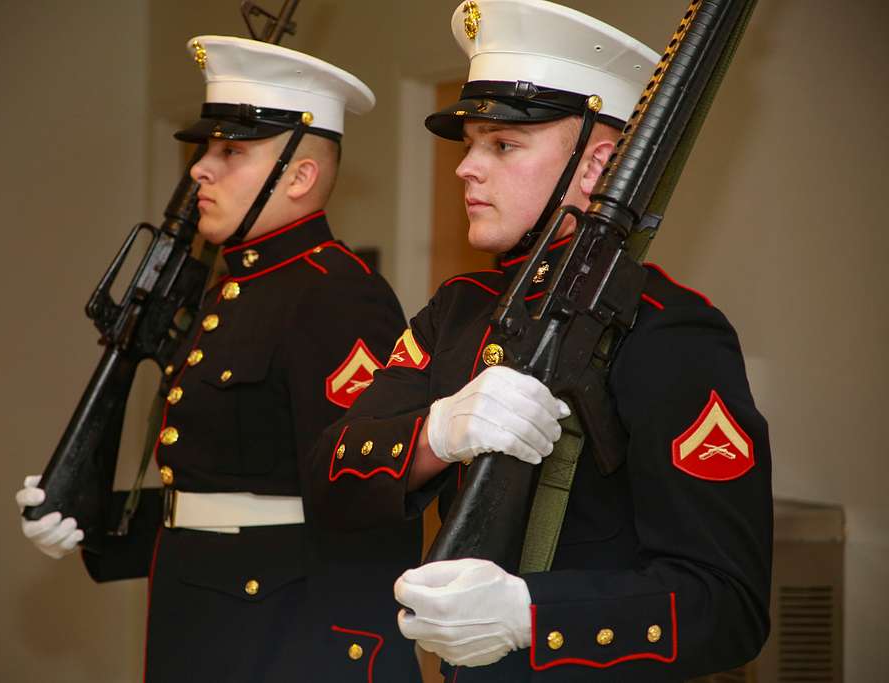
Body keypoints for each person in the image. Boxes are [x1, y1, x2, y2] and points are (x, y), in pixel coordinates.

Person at [309, 1, 773, 681]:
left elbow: (728, 604)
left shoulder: (668, 330)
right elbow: (331, 477)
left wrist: (532, 612)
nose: (466, 167)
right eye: (469, 143)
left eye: (502, 145)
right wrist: (438, 432)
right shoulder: (458, 312)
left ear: (597, 168)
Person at [15, 36, 423, 682]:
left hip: (281, 646)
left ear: (300, 175)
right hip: (202, 630)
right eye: (208, 148)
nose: (200, 167)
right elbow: (219, 495)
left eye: (231, 150)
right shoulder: (230, 288)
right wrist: (91, 520)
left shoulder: (337, 294)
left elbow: (360, 508)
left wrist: (360, 663)